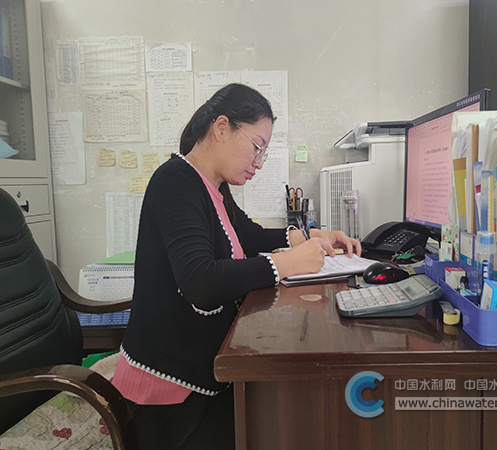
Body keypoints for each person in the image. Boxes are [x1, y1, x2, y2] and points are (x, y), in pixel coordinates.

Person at [111, 83, 361, 449]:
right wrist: (286, 263)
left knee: (279, 416)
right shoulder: (175, 181)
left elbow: (250, 235)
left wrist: (308, 235)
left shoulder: (213, 186)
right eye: (257, 147)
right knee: (274, 425)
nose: (259, 163)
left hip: (203, 364)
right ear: (222, 128)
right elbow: (199, 280)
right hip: (170, 389)